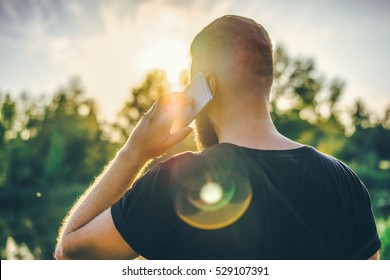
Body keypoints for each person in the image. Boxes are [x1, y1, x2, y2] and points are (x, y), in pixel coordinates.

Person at [54, 15, 381, 260]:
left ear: (207, 84)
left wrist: (134, 152)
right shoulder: (347, 183)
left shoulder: (176, 182)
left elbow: (70, 254)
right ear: (265, 82)